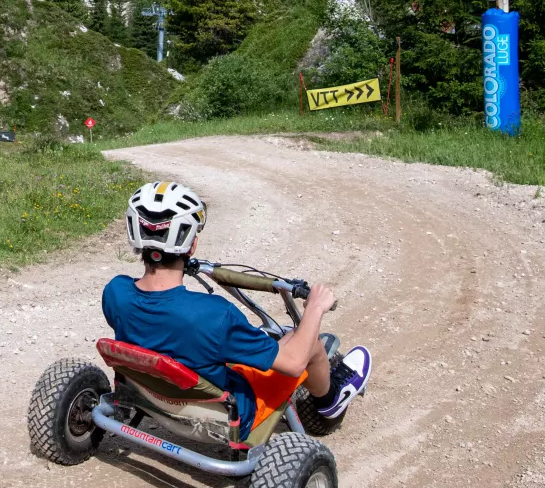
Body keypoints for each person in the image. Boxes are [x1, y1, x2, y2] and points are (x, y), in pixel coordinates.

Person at [101, 181, 369, 438]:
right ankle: (332, 399)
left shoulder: (116, 292)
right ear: (191, 244)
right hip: (228, 415)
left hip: (151, 397)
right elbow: (292, 363)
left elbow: (156, 321)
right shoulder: (214, 315)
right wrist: (315, 308)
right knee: (308, 346)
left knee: (224, 346)